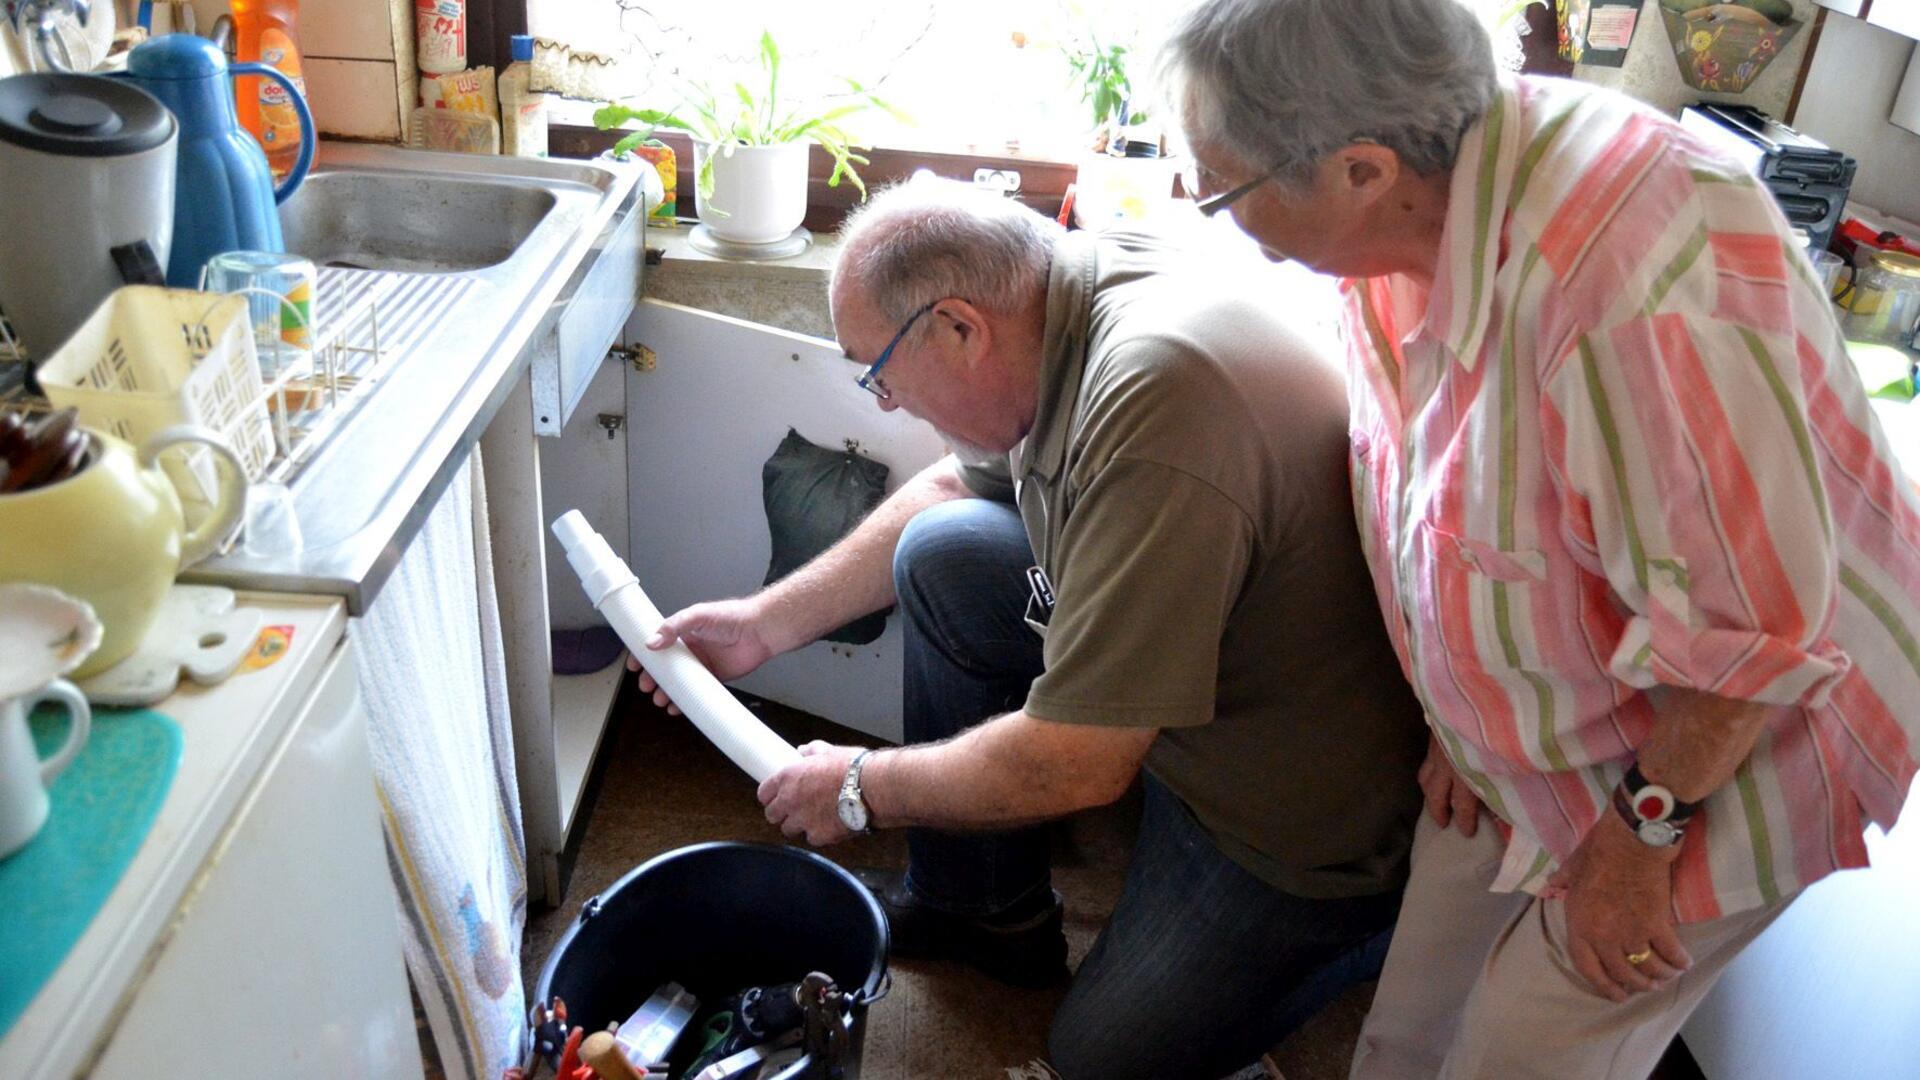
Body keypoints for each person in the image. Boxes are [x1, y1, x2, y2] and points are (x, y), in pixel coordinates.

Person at [1159, 1, 1920, 1077]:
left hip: (1724, 751)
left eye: (1220, 188)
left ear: (1362, 170)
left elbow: (1751, 640)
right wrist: (1461, 716)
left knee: (1522, 1052)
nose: (1208, 209)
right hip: (1562, 719)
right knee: (1408, 1029)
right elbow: (1435, 496)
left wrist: (1639, 840)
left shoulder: (1634, 279)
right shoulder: (1413, 221)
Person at [631, 178, 1427, 1079]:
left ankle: (1373, 931)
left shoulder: (1156, 400)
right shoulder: (1055, 298)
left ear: (962, 327)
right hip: (1193, 669)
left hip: (1290, 803)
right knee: (944, 549)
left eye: (881, 373)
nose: (886, 404)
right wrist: (760, 625)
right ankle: (981, 909)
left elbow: (1080, 757)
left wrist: (858, 787)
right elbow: (952, 484)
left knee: (1099, 1058)